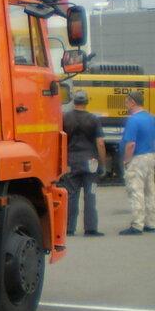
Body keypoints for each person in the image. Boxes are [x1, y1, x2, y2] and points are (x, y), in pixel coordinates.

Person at [62, 89, 106, 236]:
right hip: (91, 163)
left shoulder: (65, 118)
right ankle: (91, 228)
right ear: (86, 102)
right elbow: (100, 143)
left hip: (71, 162)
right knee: (90, 194)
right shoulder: (94, 119)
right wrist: (102, 164)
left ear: (74, 101)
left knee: (71, 195)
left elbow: (59, 140)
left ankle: (69, 228)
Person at [119, 90, 155, 235]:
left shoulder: (133, 120)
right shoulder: (151, 118)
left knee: (136, 190)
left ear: (132, 102)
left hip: (137, 158)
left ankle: (137, 224)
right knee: (150, 190)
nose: (126, 105)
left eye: (127, 102)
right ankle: (151, 222)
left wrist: (126, 161)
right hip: (150, 156)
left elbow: (131, 144)